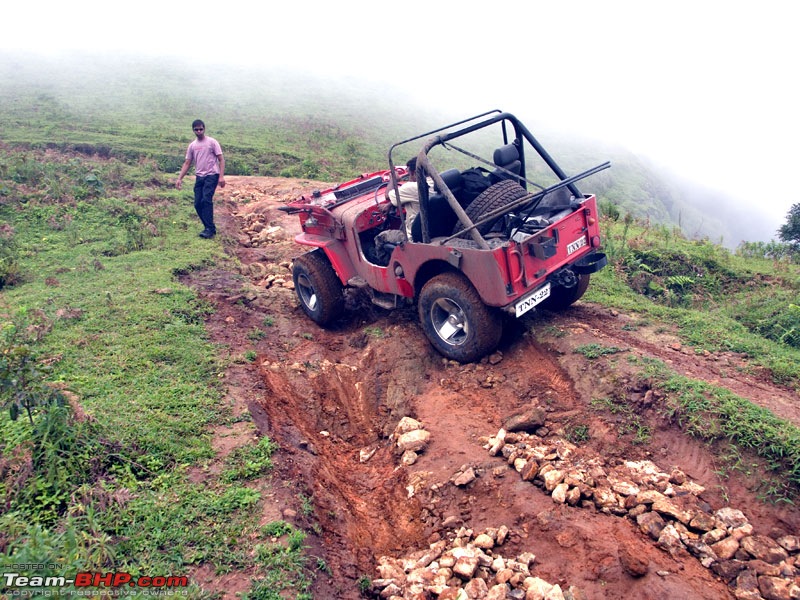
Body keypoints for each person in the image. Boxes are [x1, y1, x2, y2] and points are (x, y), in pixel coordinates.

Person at [175, 119, 226, 238]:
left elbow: (221, 159)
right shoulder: (192, 146)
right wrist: (179, 178)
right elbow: (187, 163)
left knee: (206, 200)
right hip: (199, 176)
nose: (199, 131)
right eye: (196, 129)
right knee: (197, 203)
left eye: (201, 129)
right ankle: (209, 227)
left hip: (212, 175)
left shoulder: (212, 142)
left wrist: (221, 176)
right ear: (193, 130)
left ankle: (209, 229)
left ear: (204, 129)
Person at [386, 157, 432, 238]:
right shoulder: (436, 183)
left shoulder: (413, 187)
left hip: (414, 236)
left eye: (409, 174)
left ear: (414, 173)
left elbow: (387, 196)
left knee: (381, 238)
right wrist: (390, 205)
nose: (409, 177)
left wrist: (393, 180)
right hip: (433, 229)